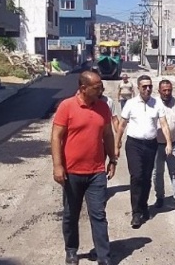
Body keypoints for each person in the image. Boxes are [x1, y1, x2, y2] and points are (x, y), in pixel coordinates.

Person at [51, 71, 117, 265]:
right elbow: (56, 137)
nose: (100, 91)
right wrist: (57, 166)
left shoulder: (103, 107)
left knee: (98, 215)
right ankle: (71, 250)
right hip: (71, 173)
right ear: (83, 88)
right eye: (96, 88)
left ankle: (103, 256)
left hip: (96, 172)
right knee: (71, 214)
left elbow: (108, 135)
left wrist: (112, 159)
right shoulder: (67, 106)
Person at [115, 75, 173, 229]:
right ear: (138, 88)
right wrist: (116, 144)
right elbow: (121, 125)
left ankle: (144, 206)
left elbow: (164, 124)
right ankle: (136, 212)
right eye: (144, 87)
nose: (147, 89)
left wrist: (168, 143)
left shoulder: (157, 104)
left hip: (151, 144)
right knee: (137, 176)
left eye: (149, 86)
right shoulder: (131, 103)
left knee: (146, 178)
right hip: (134, 144)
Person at [153, 79, 175, 210]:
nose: (167, 93)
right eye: (164, 90)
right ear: (159, 90)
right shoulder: (153, 103)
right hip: (157, 145)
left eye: (169, 90)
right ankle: (160, 197)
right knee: (158, 173)